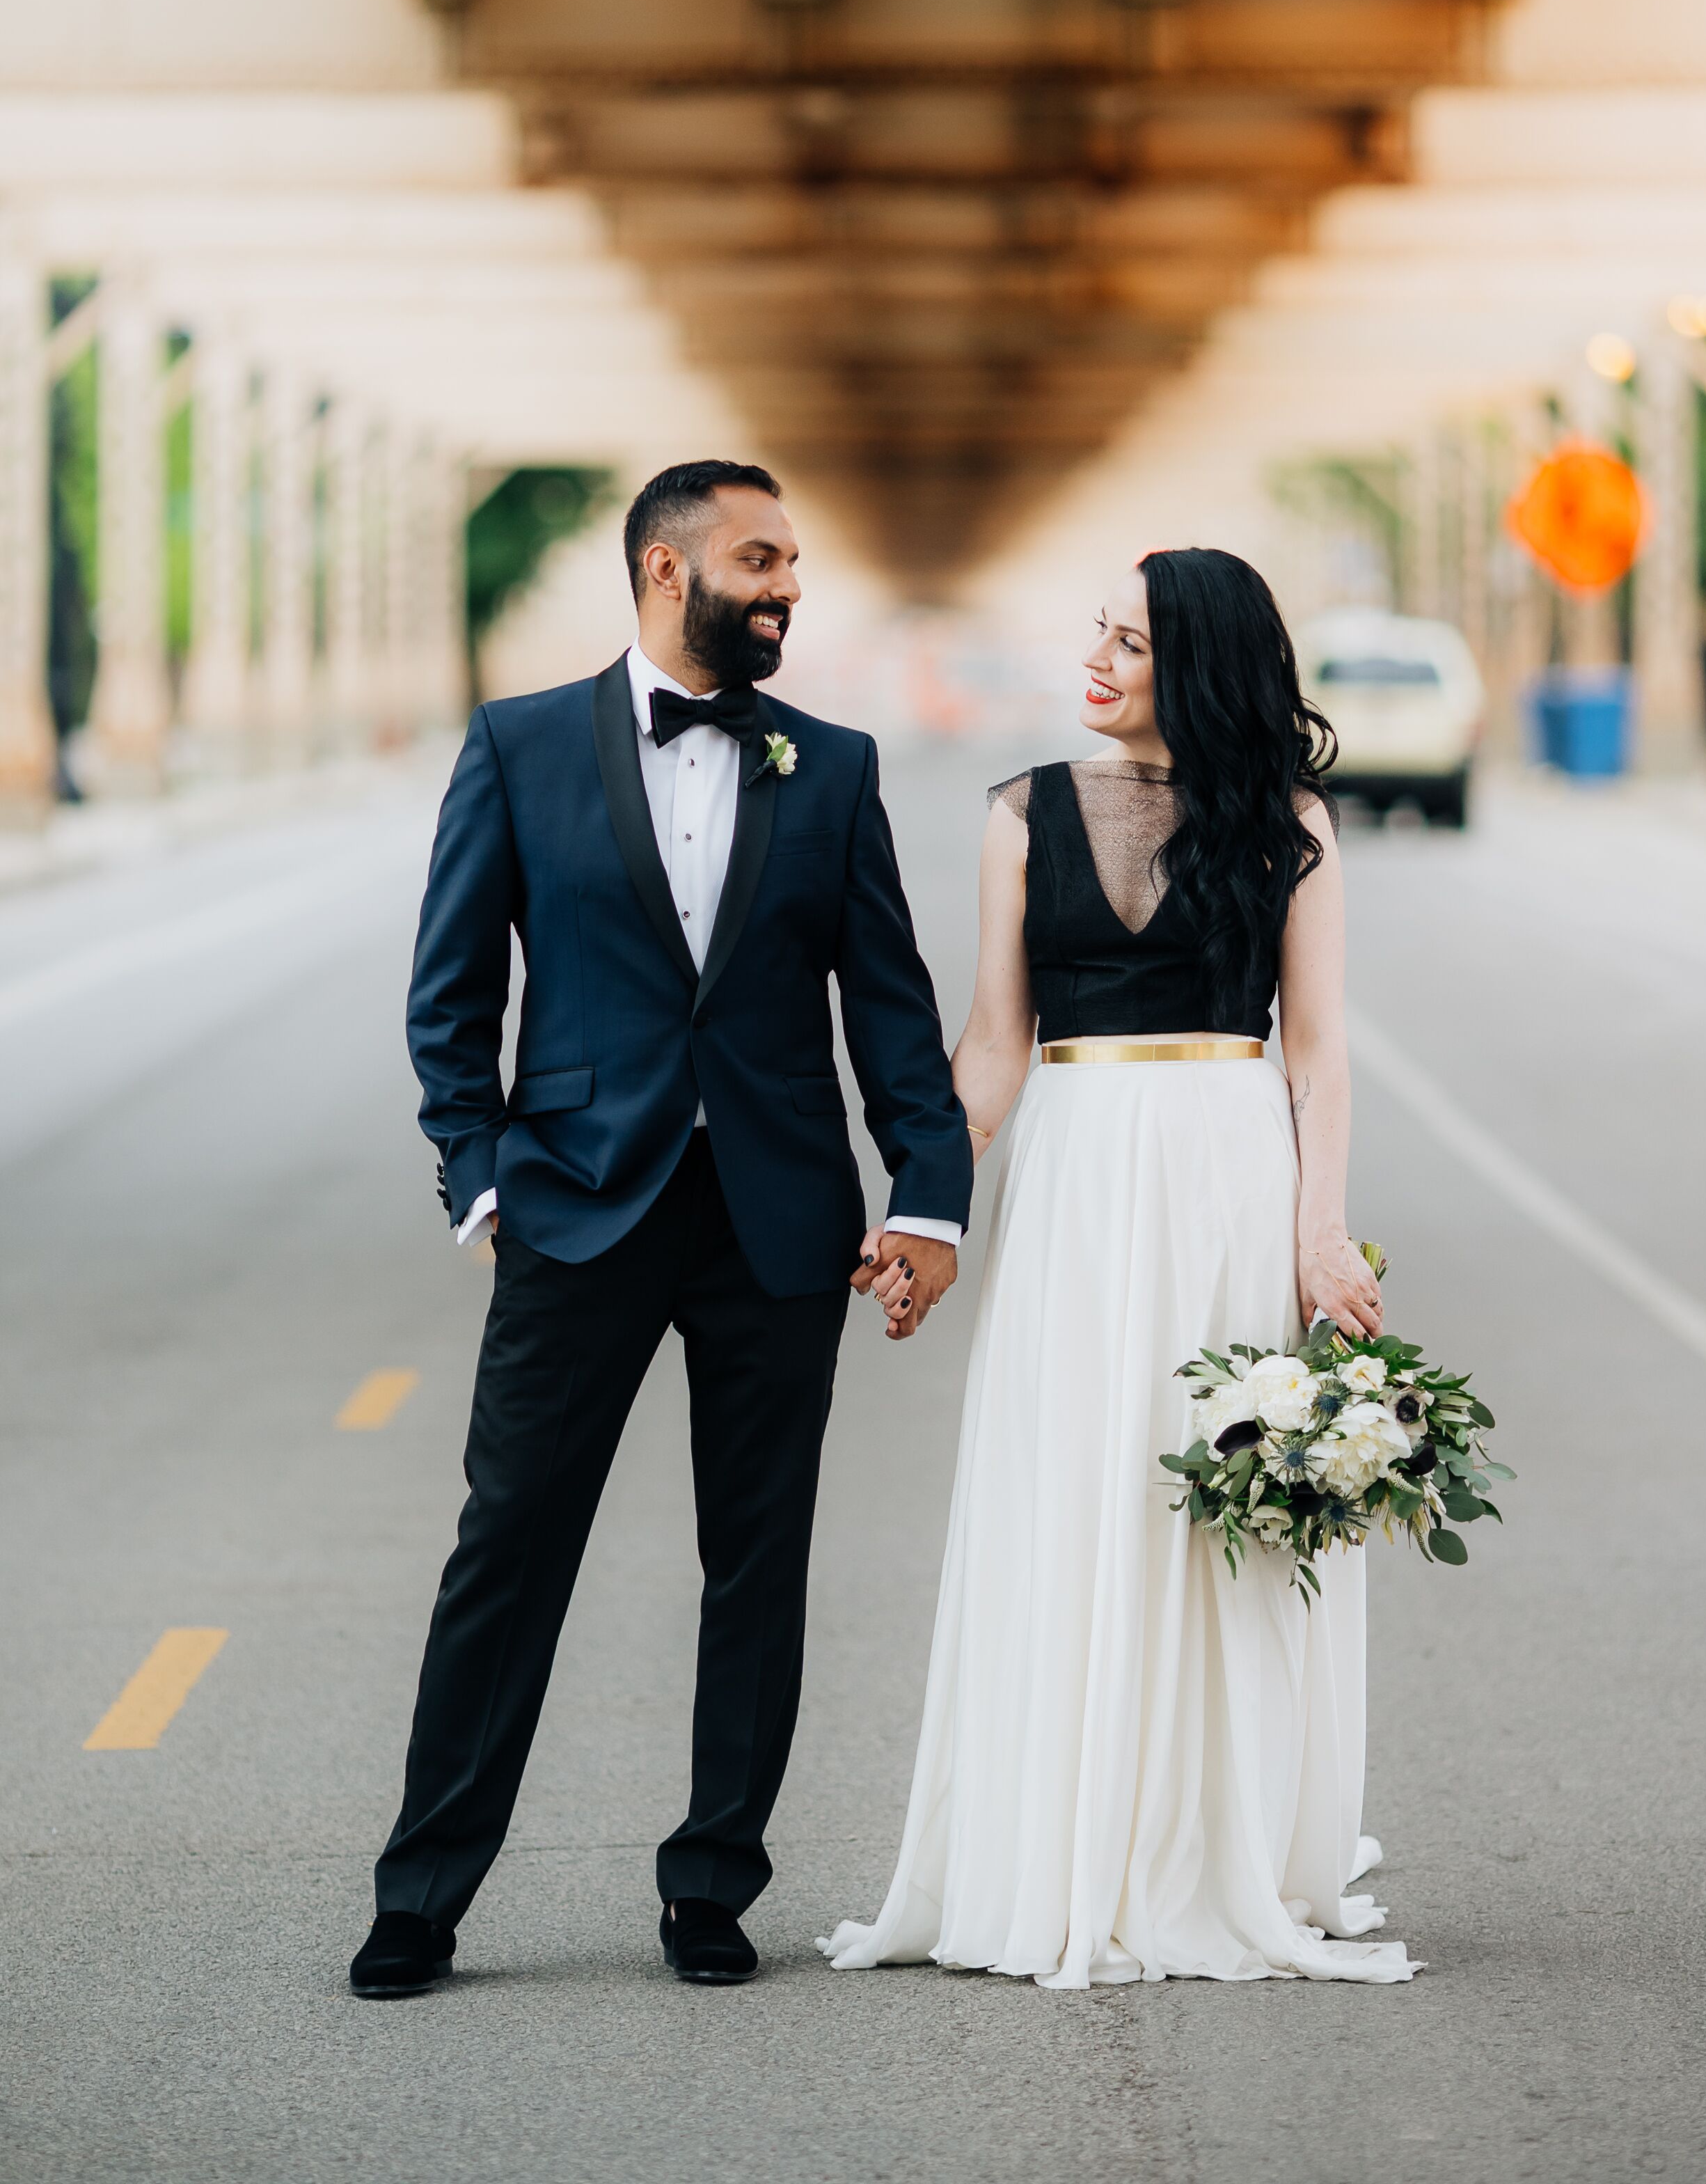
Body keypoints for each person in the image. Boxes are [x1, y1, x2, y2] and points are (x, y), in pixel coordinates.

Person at [350, 460, 971, 1997]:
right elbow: (449, 997)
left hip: (775, 1223)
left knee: (755, 1560)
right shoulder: (519, 745)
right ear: (660, 569)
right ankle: (421, 1894)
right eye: (759, 558)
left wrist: (929, 1197)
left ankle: (711, 1882)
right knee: (507, 1549)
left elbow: (890, 1011)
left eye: (794, 560)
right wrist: (478, 1176)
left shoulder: (828, 767)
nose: (788, 586)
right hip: (574, 1209)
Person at [822, 547, 1416, 1989]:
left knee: (1211, 1503)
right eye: (1095, 632)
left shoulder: (1290, 822)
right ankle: (1067, 1840)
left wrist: (1318, 1229)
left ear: (1199, 663)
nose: (1096, 659)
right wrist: (921, 1209)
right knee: (1077, 1485)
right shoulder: (1019, 810)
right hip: (1078, 1176)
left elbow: (1319, 1047)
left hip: (1225, 1171)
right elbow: (990, 1043)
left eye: (1130, 641)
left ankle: (1212, 1843)